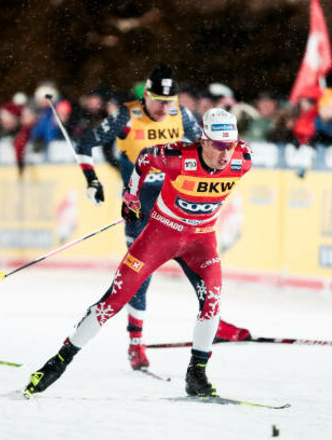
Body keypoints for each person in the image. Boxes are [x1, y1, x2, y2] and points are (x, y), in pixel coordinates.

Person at [24, 108, 252, 397]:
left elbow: (229, 159)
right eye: (219, 145)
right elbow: (143, 158)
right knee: (113, 301)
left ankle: (197, 375)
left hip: (200, 241)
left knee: (212, 303)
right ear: (203, 140)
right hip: (160, 235)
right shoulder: (178, 157)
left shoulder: (243, 159)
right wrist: (130, 197)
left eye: (230, 145)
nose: (225, 153)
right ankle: (57, 363)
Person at [76, 64, 251, 372]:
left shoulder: (181, 114)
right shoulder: (125, 115)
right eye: (157, 100)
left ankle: (212, 319)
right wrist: (92, 180)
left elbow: (203, 147)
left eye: (169, 102)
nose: (163, 108)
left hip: (177, 200)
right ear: (146, 93)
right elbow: (85, 143)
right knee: (139, 276)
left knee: (196, 263)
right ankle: (136, 344)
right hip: (141, 204)